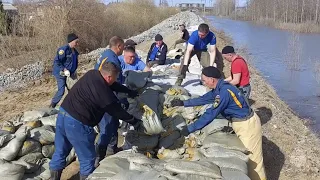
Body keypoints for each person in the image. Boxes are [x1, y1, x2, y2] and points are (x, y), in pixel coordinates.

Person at [49, 62, 145, 180]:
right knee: (88, 160)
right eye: (114, 78)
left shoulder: (93, 74)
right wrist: (134, 121)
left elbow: (113, 85)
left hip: (63, 115)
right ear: (109, 77)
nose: (115, 81)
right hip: (77, 123)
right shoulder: (104, 94)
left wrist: (129, 91)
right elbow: (116, 111)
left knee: (60, 152)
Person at [171, 66, 266, 180]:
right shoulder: (220, 87)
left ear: (212, 79)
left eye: (204, 80)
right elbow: (204, 99)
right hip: (240, 123)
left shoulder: (224, 93)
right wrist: (183, 103)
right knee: (247, 157)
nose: (203, 83)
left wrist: (190, 129)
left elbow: (210, 114)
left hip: (247, 125)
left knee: (253, 160)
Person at [94, 36, 130, 161]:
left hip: (102, 94)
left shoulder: (105, 54)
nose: (123, 50)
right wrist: (124, 100)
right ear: (119, 46)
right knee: (107, 127)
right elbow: (114, 83)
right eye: (123, 47)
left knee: (113, 124)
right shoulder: (113, 60)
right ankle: (98, 156)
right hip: (106, 98)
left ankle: (111, 149)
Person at [50, 33, 79, 108]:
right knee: (61, 91)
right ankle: (52, 105)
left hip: (70, 73)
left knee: (74, 89)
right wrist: (64, 69)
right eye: (76, 42)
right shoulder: (63, 50)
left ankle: (72, 105)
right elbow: (57, 61)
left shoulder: (74, 51)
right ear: (71, 41)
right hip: (61, 73)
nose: (77, 44)